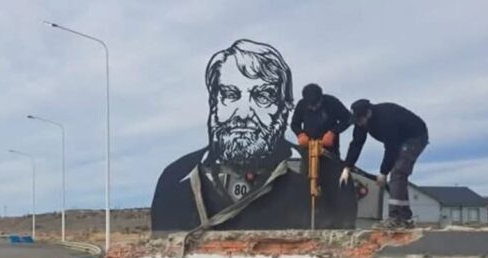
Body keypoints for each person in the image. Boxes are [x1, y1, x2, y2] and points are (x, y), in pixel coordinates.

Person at [151, 39, 357, 233]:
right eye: (230, 95)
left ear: (283, 107)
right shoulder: (176, 179)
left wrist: (333, 133)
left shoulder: (333, 178)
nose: (243, 113)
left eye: (263, 97)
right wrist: (300, 133)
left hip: (323, 150)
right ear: (213, 103)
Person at [340, 99, 428, 228]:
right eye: (356, 121)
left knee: (398, 173)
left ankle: (396, 219)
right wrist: (347, 166)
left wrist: (383, 172)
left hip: (415, 137)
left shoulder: (386, 119)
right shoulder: (361, 123)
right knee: (398, 175)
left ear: (368, 113)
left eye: (360, 120)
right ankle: (404, 217)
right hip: (399, 141)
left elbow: (391, 147)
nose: (359, 124)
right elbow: (356, 143)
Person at [290, 83, 352, 156]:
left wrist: (333, 132)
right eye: (310, 106)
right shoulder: (301, 104)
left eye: (316, 105)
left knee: (331, 166)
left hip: (329, 149)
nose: (313, 108)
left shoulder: (332, 102)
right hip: (308, 149)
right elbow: (294, 124)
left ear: (321, 98)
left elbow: (348, 119)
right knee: (307, 167)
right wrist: (300, 134)